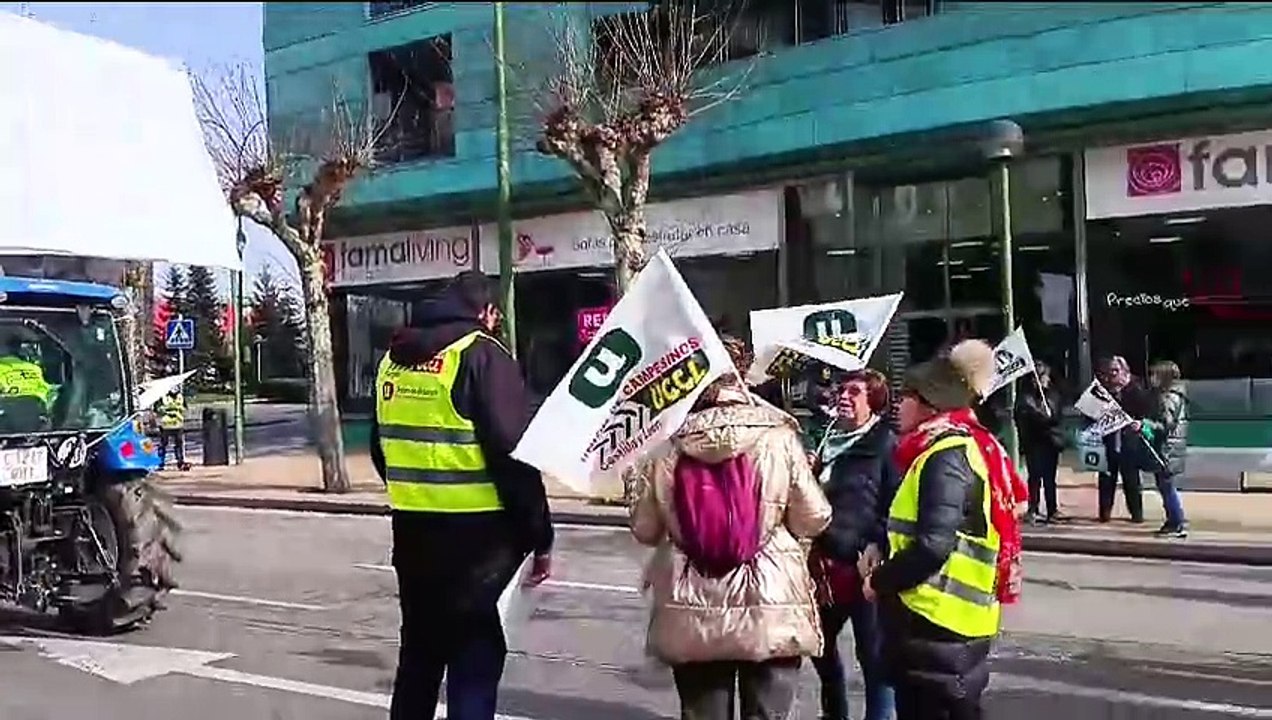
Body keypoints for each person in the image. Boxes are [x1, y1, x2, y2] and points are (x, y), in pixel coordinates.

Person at [371, 270, 554, 720]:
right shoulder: (482, 356)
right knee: (474, 662)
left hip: (413, 534)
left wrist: (419, 490)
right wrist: (540, 535)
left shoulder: (392, 361)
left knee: (418, 659)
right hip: (480, 544)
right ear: (487, 313)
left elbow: (381, 448)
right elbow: (513, 456)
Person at [630, 333, 831, 720]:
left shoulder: (666, 445)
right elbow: (814, 518)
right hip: (771, 601)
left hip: (692, 607)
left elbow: (645, 529)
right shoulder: (779, 437)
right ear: (743, 373)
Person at [865, 339, 1017, 720]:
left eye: (908, 396)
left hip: (939, 626)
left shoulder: (945, 456)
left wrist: (880, 580)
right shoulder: (935, 451)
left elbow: (934, 544)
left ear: (931, 404)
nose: (899, 404)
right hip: (941, 634)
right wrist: (881, 544)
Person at [809, 369, 898, 720]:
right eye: (841, 390)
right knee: (819, 646)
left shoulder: (886, 445)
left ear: (873, 403)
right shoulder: (827, 441)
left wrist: (877, 542)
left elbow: (895, 504)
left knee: (875, 658)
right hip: (824, 567)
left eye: (854, 392)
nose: (843, 397)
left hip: (864, 568)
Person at [1094, 356, 1153, 523]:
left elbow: (1145, 412)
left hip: (1129, 443)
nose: (1112, 375)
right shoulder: (1103, 391)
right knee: (1106, 479)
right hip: (1109, 442)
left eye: (1115, 371)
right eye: (1109, 371)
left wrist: (1138, 423)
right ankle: (1104, 513)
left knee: (1131, 480)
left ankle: (1137, 514)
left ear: (1124, 371)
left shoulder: (1136, 389)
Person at [1014, 361, 1065, 523]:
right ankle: (1033, 508)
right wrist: (1040, 414)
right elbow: (1026, 415)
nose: (1041, 381)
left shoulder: (1053, 395)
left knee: (1050, 478)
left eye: (1043, 377)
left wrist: (1045, 412)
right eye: (1036, 377)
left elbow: (1054, 416)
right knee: (1034, 476)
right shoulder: (1026, 397)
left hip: (1050, 442)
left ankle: (1052, 509)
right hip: (1033, 441)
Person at [1144, 360, 1189, 538]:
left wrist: (1147, 424)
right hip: (1173, 446)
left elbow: (1166, 424)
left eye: (1154, 375)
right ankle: (1173, 520)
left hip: (1167, 447)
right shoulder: (1177, 395)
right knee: (1166, 485)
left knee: (1166, 486)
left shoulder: (1168, 397)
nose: (1151, 378)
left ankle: (1176, 522)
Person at [156, 388, 190, 471]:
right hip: (166, 425)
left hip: (178, 424)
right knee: (163, 445)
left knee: (179, 444)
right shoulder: (163, 397)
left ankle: (180, 462)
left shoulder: (181, 397)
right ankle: (160, 463)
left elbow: (185, 409)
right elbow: (157, 409)